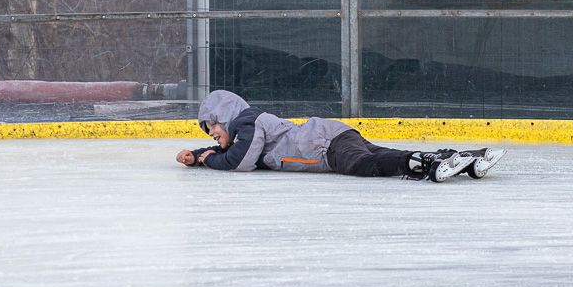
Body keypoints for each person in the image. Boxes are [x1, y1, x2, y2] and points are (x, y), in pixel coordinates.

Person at [174, 90, 474, 181]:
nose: (212, 135)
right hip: (329, 138)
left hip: (324, 143)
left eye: (211, 128)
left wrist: (208, 160)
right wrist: (200, 154)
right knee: (377, 157)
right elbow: (234, 149)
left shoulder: (247, 124)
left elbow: (239, 161)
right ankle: (442, 158)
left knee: (362, 166)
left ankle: (418, 164)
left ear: (223, 117)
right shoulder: (243, 129)